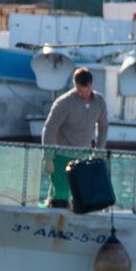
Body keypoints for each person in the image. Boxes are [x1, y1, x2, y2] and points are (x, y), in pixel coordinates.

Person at [41, 67, 108, 207]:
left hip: (84, 157)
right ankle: (55, 220)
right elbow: (49, 128)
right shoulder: (63, 103)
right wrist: (48, 155)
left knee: (80, 195)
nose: (83, 93)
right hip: (61, 157)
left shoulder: (100, 102)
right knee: (59, 195)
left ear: (91, 84)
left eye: (86, 90)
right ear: (74, 85)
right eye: (79, 90)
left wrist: (99, 150)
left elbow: (103, 127)